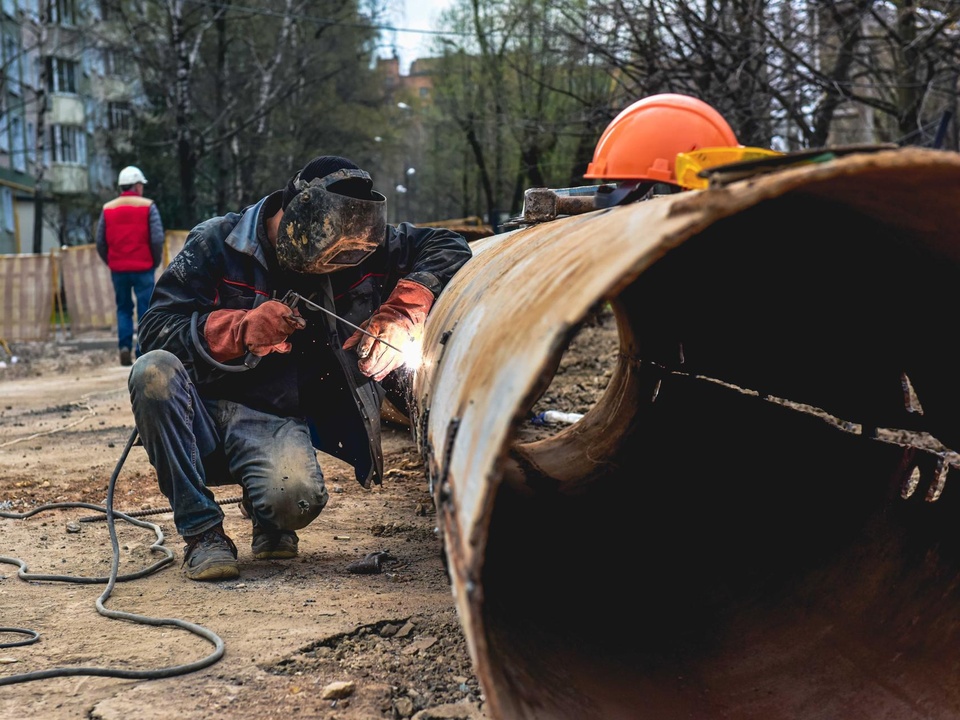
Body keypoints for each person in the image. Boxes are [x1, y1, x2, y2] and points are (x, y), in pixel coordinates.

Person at [127, 155, 472, 581]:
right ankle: (203, 533)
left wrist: (402, 312)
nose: (328, 273)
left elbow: (449, 246)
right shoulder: (217, 242)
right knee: (152, 373)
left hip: (271, 415)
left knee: (295, 501)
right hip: (201, 410)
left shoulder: (359, 242)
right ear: (292, 219)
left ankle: (267, 511)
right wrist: (240, 328)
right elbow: (156, 330)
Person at [96, 165, 165, 366]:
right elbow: (157, 238)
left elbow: (100, 241)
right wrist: (155, 260)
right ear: (136, 185)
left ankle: (124, 346)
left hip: (118, 270)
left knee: (123, 308)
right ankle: (142, 349)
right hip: (144, 267)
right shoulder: (148, 206)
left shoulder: (108, 208)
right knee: (146, 308)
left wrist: (111, 261)